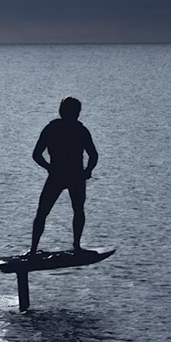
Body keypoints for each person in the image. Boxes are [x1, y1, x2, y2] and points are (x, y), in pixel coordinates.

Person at [27, 96, 98, 255]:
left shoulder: (53, 129)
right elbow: (93, 156)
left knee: (44, 212)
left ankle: (33, 249)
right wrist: (87, 172)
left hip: (60, 175)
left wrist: (49, 167)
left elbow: (37, 155)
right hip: (72, 176)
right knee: (76, 210)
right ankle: (76, 246)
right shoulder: (79, 130)